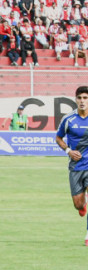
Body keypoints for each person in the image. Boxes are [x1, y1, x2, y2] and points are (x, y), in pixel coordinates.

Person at [55, 86, 88, 243]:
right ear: (75, 99)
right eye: (80, 98)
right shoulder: (68, 119)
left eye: (85, 98)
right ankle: (83, 205)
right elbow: (58, 138)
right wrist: (68, 150)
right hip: (75, 167)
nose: (82, 101)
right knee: (78, 204)